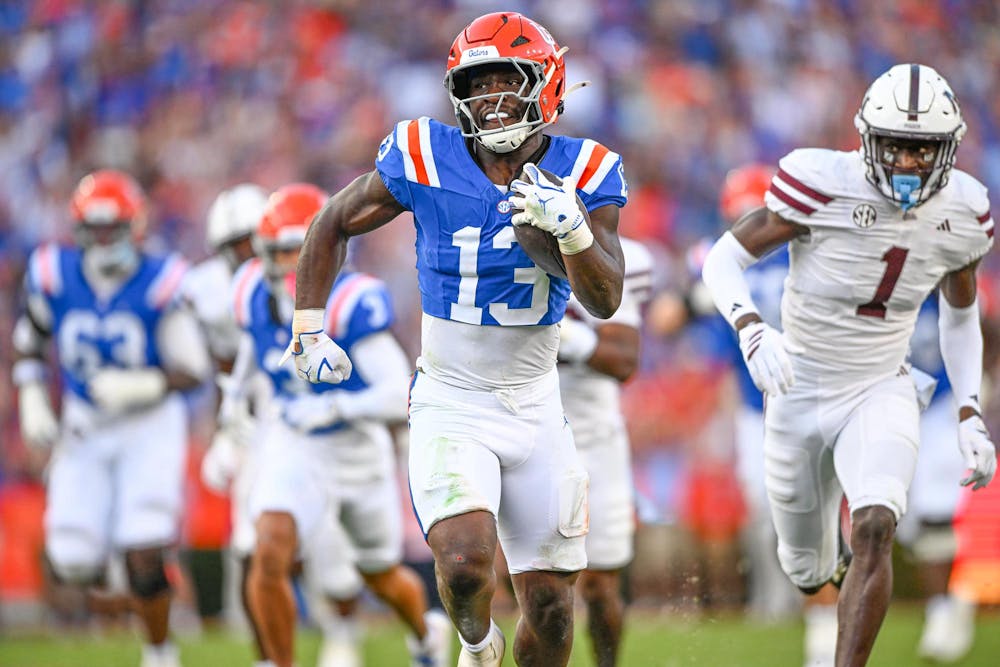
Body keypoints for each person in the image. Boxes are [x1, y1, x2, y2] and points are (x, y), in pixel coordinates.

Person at [283, 11, 628, 667]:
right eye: (477, 85)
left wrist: (575, 232)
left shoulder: (586, 168)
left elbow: (605, 299)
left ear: (545, 83)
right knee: (466, 565)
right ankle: (475, 643)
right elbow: (333, 220)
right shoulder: (424, 152)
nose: (490, 99)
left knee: (553, 607)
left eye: (506, 81)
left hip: (534, 402)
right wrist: (307, 325)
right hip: (451, 397)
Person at [701, 63, 997, 666]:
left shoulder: (964, 210)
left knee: (874, 526)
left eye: (924, 149)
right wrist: (752, 329)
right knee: (806, 567)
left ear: (948, 148)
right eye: (897, 145)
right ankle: (817, 574)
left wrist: (969, 409)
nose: (910, 162)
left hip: (879, 387)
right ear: (868, 139)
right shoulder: (820, 182)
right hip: (797, 389)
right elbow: (722, 260)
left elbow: (960, 315)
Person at [226, 183, 451, 667]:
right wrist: (233, 401)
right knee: (269, 548)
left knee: (379, 574)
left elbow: (399, 395)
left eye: (298, 248)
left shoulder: (351, 301)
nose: (289, 262)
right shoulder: (250, 292)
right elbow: (253, 347)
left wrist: (335, 408)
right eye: (279, 251)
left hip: (357, 450)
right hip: (297, 443)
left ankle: (424, 635)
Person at [13, 169, 211, 667]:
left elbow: (192, 368)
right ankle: (124, 579)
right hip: (85, 423)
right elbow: (28, 346)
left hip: (148, 425)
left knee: (144, 546)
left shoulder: (161, 279)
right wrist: (33, 398)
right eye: (94, 229)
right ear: (78, 229)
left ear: (135, 226)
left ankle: (160, 651)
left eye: (113, 228)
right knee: (73, 558)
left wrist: (145, 383)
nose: (104, 240)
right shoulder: (51, 274)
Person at [557, 236, 652, 667]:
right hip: (521, 424)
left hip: (594, 435)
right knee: (533, 582)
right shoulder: (497, 245)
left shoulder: (613, 257)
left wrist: (559, 334)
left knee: (599, 582)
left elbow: (622, 360)